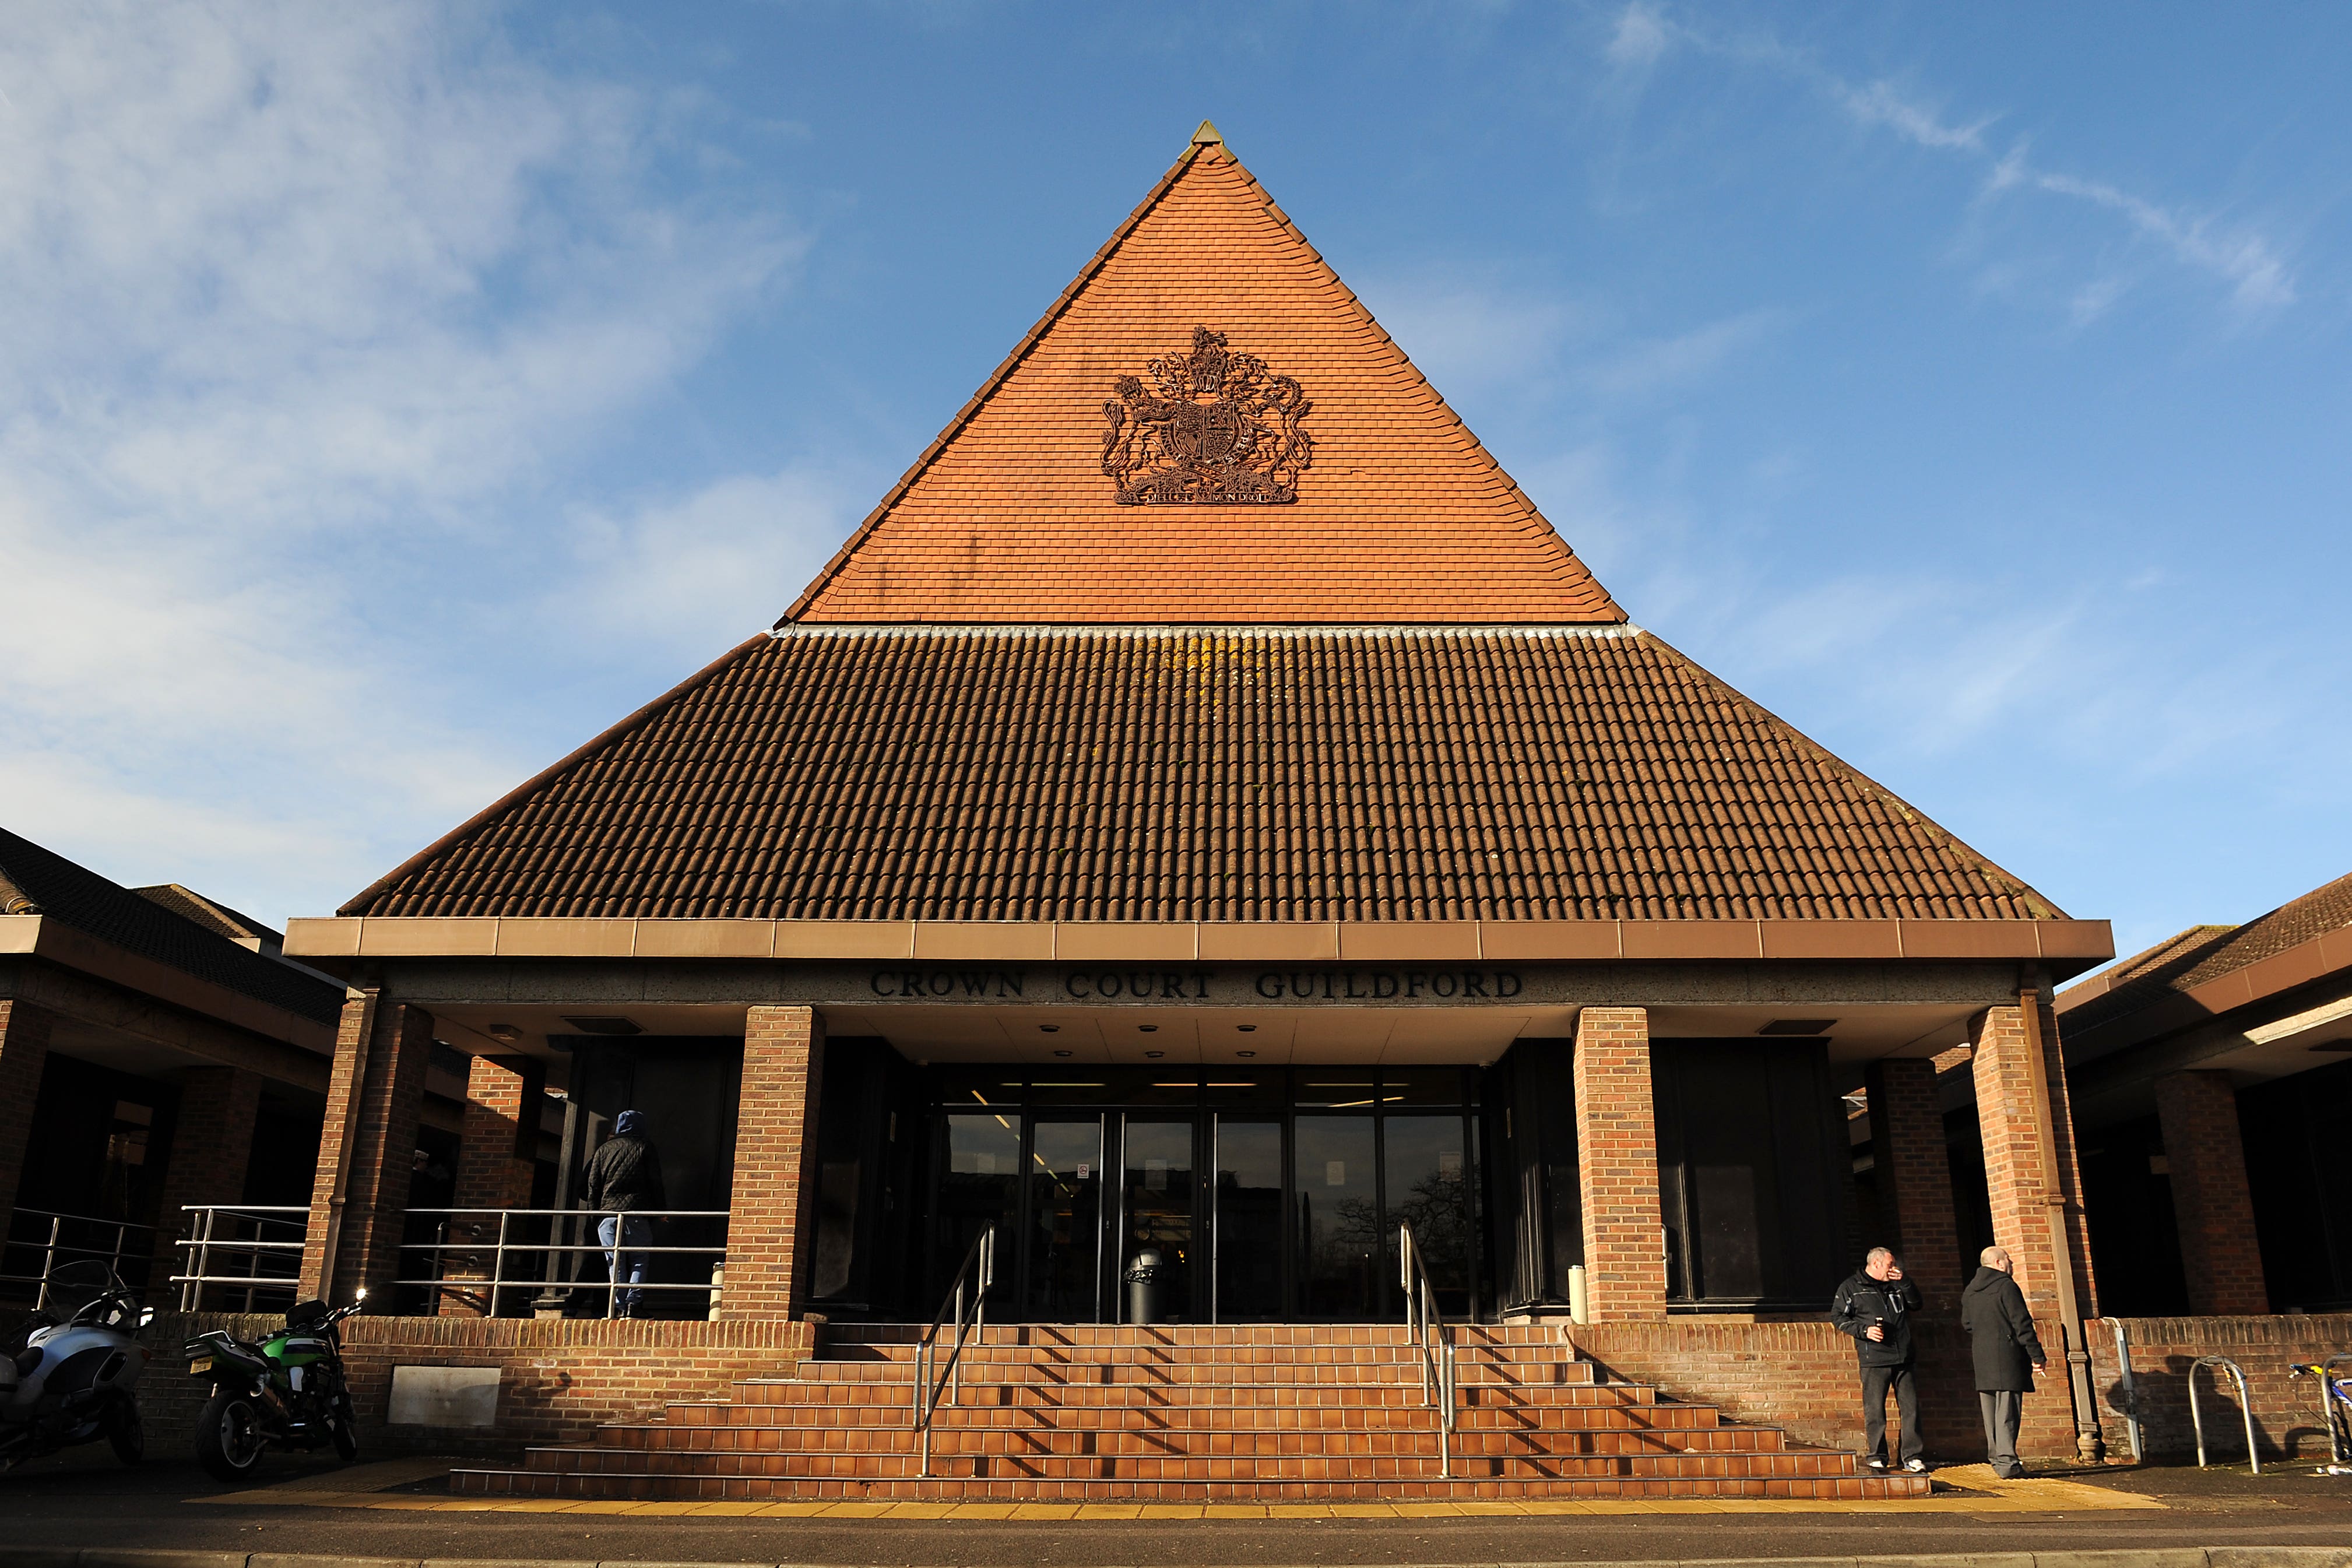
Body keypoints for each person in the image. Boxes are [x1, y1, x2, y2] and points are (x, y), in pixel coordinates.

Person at [1832, 1245, 1926, 1474]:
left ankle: (1913, 1456)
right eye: (1890, 1264)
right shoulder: (1851, 1287)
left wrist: (1905, 1282)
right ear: (1876, 1263)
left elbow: (1916, 1305)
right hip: (1874, 1357)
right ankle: (1877, 1456)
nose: (1894, 1268)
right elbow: (1838, 1317)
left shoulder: (1897, 1284)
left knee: (1911, 1408)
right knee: (1875, 1409)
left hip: (1904, 1355)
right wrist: (1865, 1331)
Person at [1961, 1244, 2047, 1480]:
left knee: (1990, 1413)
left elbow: (1967, 1324)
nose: (2012, 1263)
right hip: (2008, 1357)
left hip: (1982, 1356)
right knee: (2008, 1412)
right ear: (1998, 1263)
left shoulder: (1971, 1290)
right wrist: (2037, 1356)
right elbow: (2022, 1324)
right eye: (2008, 1259)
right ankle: (2008, 1463)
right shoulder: (2006, 1286)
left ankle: (1997, 1460)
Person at [582, 1109, 665, 1318]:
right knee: (639, 1258)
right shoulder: (645, 1146)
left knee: (614, 1260)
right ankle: (633, 1305)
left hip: (608, 1214)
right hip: (635, 1212)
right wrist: (661, 1210)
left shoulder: (604, 1149)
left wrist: (595, 1216)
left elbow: (593, 1185)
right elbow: (655, 1182)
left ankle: (618, 1306)